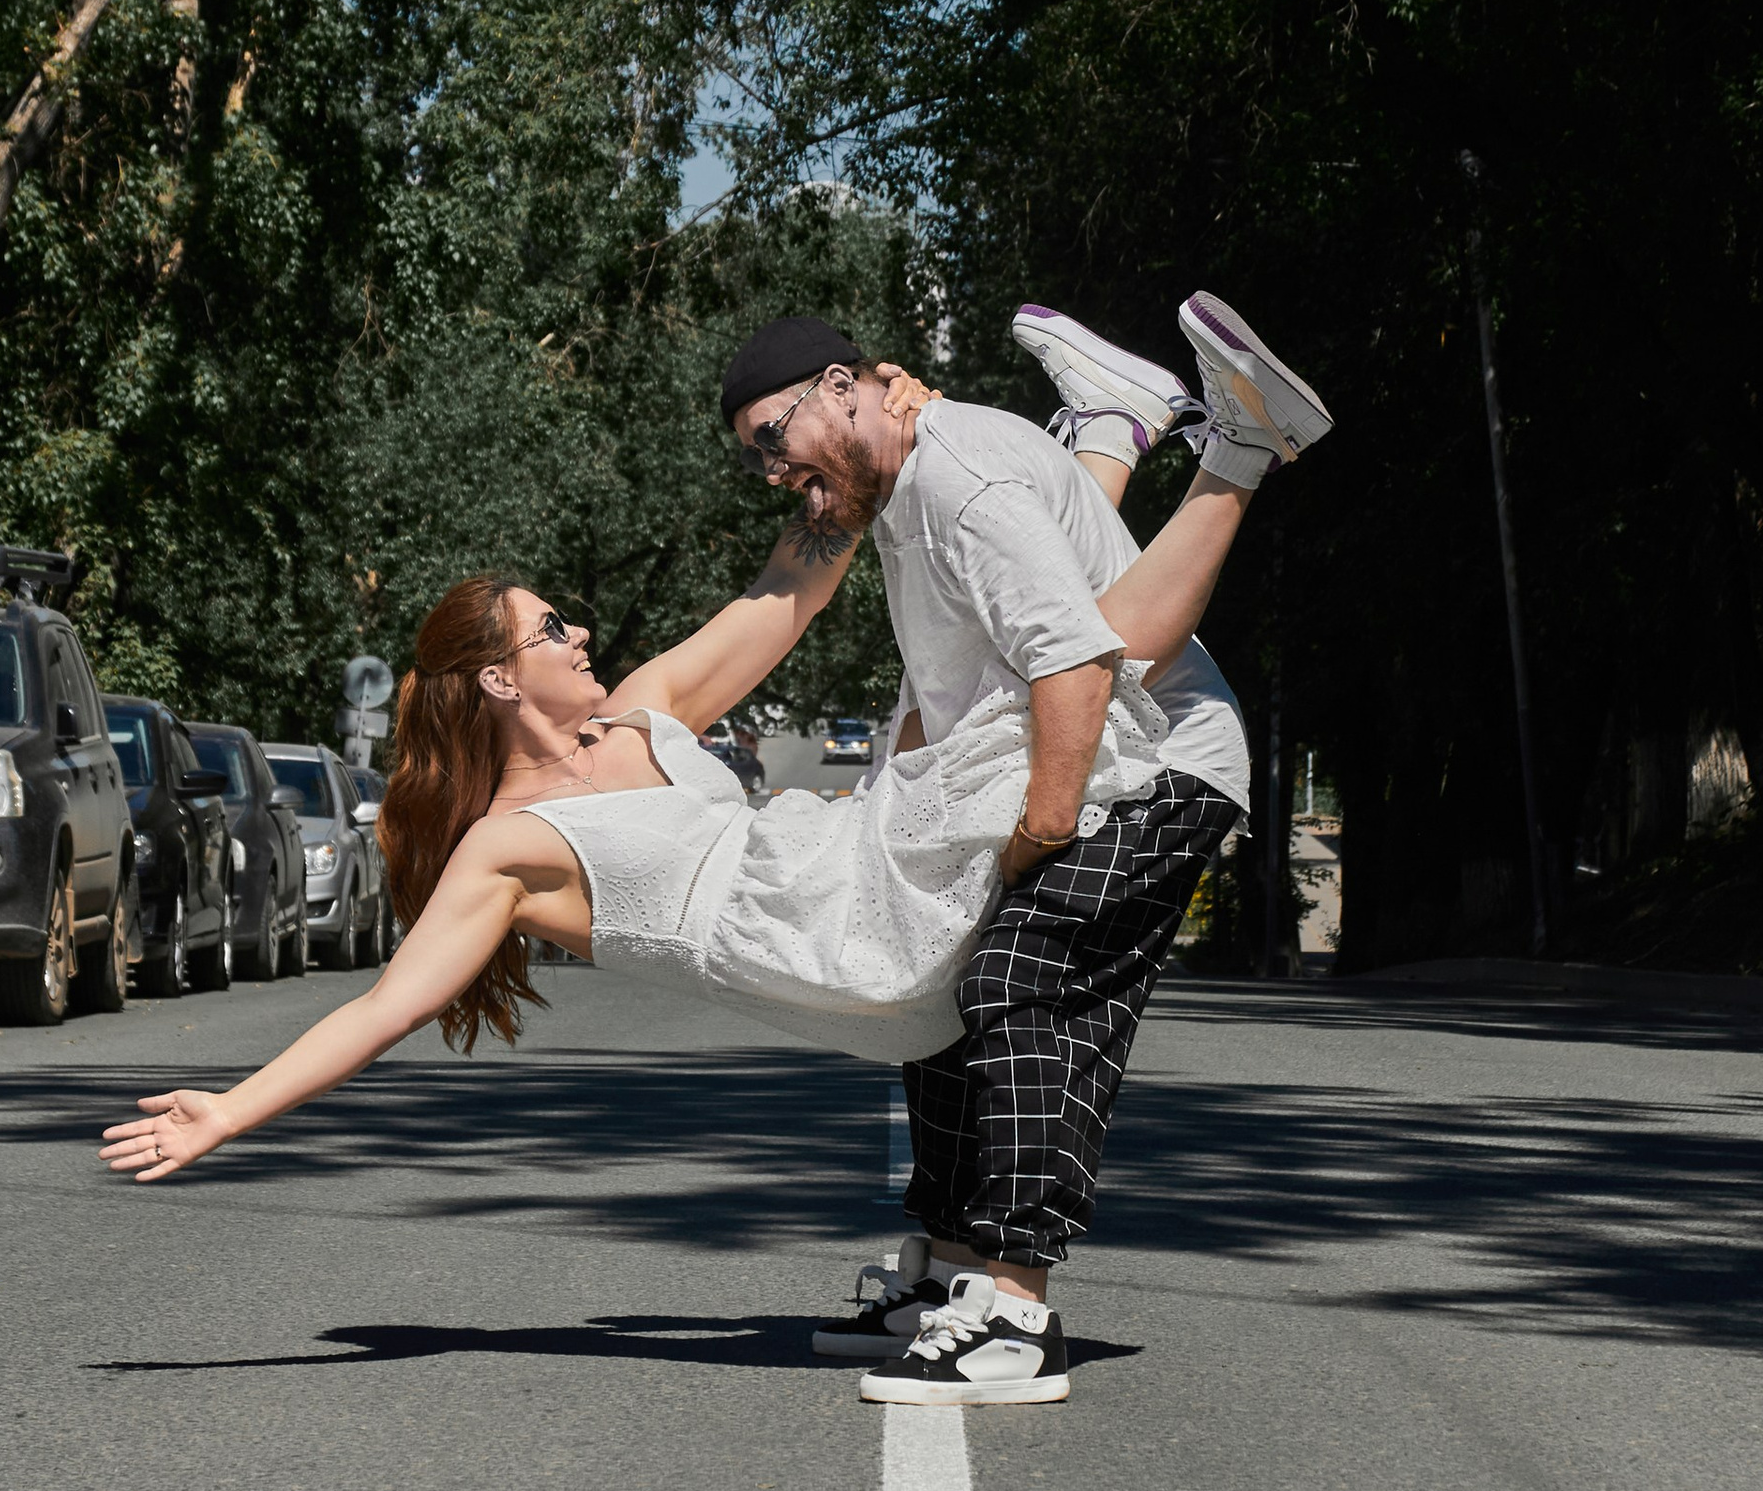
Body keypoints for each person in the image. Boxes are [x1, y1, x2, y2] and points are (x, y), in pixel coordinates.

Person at [100, 293, 1329, 1403]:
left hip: (855, 853)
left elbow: (801, 571)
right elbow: (384, 1007)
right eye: (549, 628)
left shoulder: (646, 707)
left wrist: (890, 414)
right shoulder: (507, 848)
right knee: (1046, 674)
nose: (578, 631)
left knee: (1006, 640)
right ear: (495, 678)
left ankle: (1111, 433)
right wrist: (229, 1112)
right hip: (829, 934)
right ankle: (1165, 445)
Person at [717, 292, 1327, 1404]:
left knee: (1018, 976)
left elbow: (1076, 663)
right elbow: (948, 676)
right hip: (1086, 761)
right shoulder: (902, 484)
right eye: (756, 459)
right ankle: (951, 1276)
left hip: (1154, 767)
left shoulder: (960, 480)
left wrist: (1038, 836)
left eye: (773, 440)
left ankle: (1014, 1309)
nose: (771, 473)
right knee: (942, 984)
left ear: (845, 390)